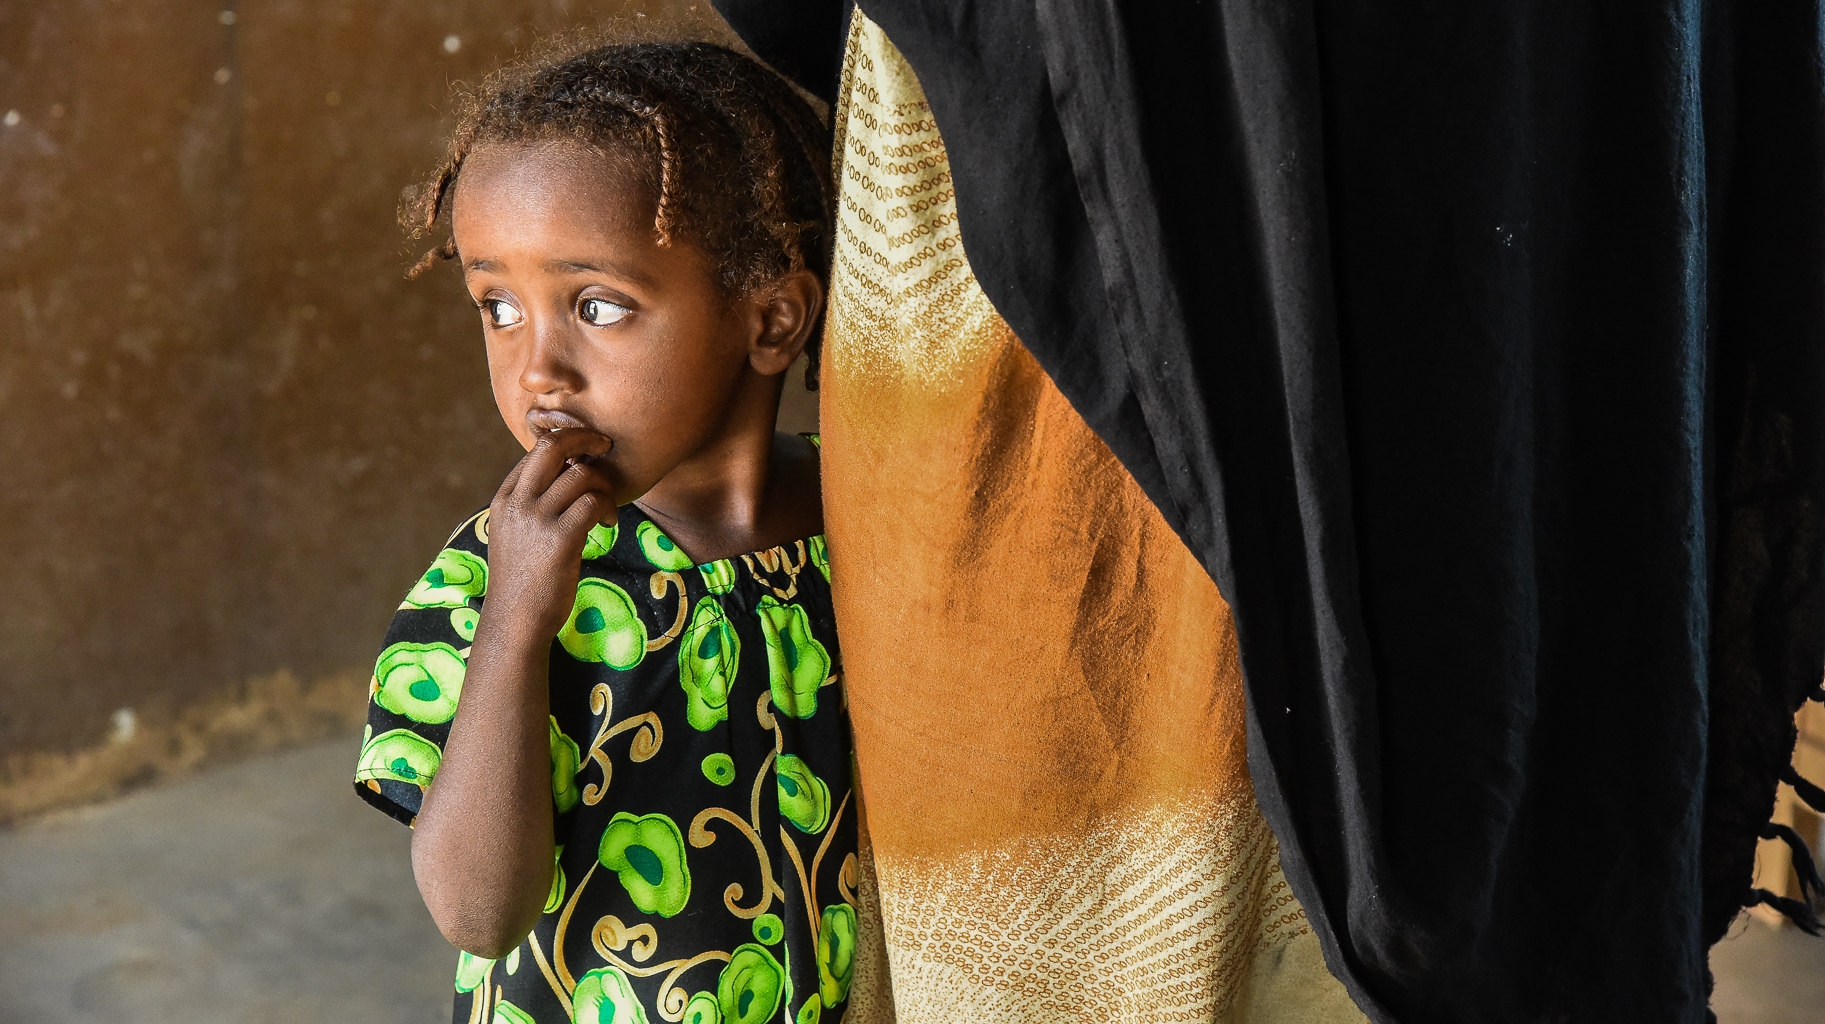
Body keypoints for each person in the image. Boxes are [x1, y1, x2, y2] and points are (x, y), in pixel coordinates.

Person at [350, 41, 872, 1024]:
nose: (537, 368)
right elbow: (475, 911)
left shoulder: (873, 520)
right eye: (496, 306)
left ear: (770, 321)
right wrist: (516, 622)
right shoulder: (487, 577)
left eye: (596, 305)